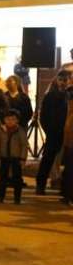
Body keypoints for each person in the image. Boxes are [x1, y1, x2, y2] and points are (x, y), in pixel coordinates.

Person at [35, 70, 70, 195]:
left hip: (69, 133)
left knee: (68, 160)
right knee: (48, 159)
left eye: (65, 80)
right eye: (60, 80)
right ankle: (40, 184)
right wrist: (49, 130)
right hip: (54, 132)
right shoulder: (50, 96)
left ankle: (66, 187)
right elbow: (43, 115)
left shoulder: (70, 95)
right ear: (56, 81)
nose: (63, 83)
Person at [0, 109, 28, 204]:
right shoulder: (1, 131)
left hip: (16, 158)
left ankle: (17, 198)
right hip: (4, 157)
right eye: (8, 119)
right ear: (4, 120)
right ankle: (1, 196)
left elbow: (24, 145)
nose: (10, 121)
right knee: (2, 178)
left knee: (17, 178)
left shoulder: (20, 131)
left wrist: (23, 158)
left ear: (17, 121)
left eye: (13, 119)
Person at [61, 75, 73, 206]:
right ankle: (68, 195)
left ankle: (67, 194)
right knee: (70, 168)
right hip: (70, 137)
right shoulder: (69, 92)